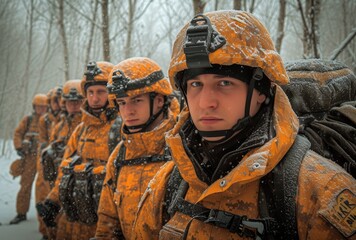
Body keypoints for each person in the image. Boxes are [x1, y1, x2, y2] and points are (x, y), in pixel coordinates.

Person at [132, 10, 356, 239]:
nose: (206, 102)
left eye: (225, 83)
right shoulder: (170, 182)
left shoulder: (318, 189)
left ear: (261, 90)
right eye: (196, 84)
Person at [93, 57, 179, 239]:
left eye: (137, 100)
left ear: (159, 101)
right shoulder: (119, 155)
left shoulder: (181, 149)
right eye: (122, 103)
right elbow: (107, 219)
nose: (127, 111)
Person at [38, 61, 118, 240]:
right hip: (75, 217)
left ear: (112, 93)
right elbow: (64, 172)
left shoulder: (120, 129)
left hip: (105, 224)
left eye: (100, 92)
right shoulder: (81, 130)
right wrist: (52, 201)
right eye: (90, 92)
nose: (95, 98)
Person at [39, 80, 84, 240]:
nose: (73, 105)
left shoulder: (86, 126)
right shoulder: (59, 126)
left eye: (78, 101)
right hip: (60, 181)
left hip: (81, 186)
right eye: (70, 101)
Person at [11, 93, 48, 224]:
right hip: (30, 158)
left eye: (44, 107)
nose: (41, 109)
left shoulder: (50, 120)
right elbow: (18, 133)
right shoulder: (28, 119)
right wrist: (19, 147)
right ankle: (21, 213)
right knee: (25, 185)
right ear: (34, 107)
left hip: (45, 159)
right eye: (39, 107)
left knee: (45, 187)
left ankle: (46, 215)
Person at [35, 87, 62, 239]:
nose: (57, 103)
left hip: (61, 162)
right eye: (54, 100)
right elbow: (43, 141)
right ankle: (45, 231)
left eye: (59, 99)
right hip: (47, 162)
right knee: (42, 195)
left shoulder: (66, 117)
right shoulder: (44, 119)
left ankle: (57, 231)